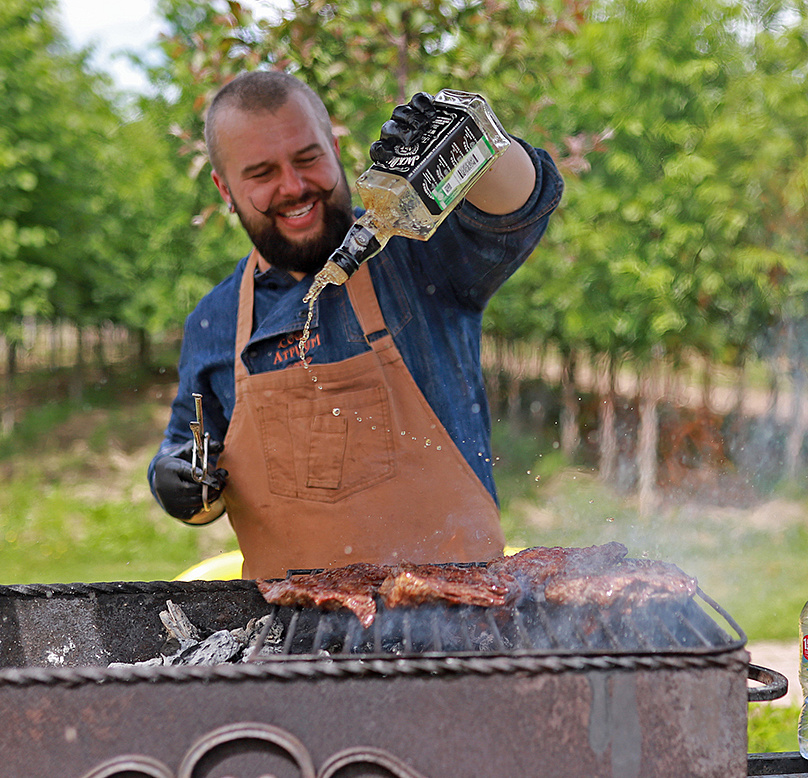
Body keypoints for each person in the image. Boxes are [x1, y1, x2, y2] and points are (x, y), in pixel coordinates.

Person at [148, 71, 563, 579]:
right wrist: (176, 483)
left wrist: (470, 141)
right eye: (261, 174)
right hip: (288, 640)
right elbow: (188, 455)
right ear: (225, 188)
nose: (295, 186)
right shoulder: (213, 321)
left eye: (308, 158)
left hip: (456, 628)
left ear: (335, 145)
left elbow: (519, 205)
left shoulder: (413, 253)